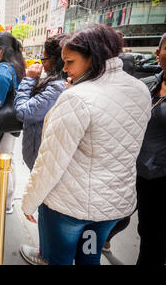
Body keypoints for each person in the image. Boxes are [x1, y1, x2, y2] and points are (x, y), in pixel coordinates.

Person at [21, 24, 152, 265]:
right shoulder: (140, 89)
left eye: (70, 61)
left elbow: (51, 161)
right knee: (89, 256)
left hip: (69, 211)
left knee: (59, 259)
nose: (65, 69)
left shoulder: (77, 98)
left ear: (93, 56)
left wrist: (29, 200)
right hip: (109, 209)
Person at [14, 34, 67, 265]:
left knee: (48, 205)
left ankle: (47, 255)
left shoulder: (57, 87)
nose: (41, 63)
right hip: (40, 151)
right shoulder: (56, 83)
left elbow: (23, 111)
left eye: (44, 58)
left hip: (44, 156)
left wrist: (28, 80)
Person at [0, 31, 26, 215]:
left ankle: (5, 202)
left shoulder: (1, 71)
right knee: (7, 160)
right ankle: (4, 193)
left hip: (3, 124)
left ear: (0, 51)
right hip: (11, 124)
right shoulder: (13, 66)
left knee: (3, 163)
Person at [134, 33, 166, 265]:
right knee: (146, 231)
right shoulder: (149, 84)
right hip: (141, 172)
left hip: (163, 175)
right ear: (158, 53)